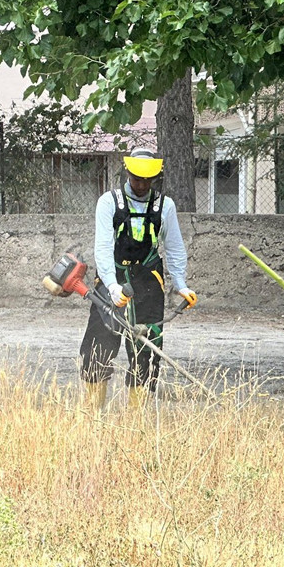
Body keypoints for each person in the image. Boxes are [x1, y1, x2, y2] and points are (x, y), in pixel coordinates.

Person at [80, 148, 197, 410]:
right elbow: (102, 247)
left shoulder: (164, 206)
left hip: (148, 282)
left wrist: (181, 284)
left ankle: (136, 416)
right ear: (128, 174)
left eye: (148, 180)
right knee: (99, 344)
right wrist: (111, 286)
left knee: (147, 350)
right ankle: (93, 413)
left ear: (155, 179)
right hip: (113, 278)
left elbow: (175, 247)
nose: (142, 185)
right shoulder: (108, 202)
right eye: (137, 179)